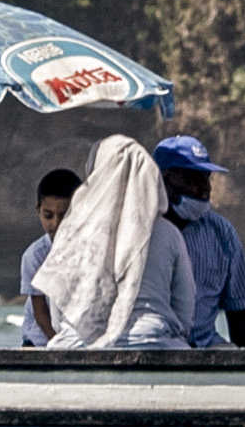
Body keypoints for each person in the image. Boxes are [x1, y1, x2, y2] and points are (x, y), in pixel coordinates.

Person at [29, 133, 196, 349]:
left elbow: (58, 306)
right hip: (152, 340)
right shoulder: (169, 232)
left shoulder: (74, 227)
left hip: (78, 345)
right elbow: (185, 309)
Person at [152, 135, 245, 348]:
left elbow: (241, 313)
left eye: (206, 178)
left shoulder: (221, 232)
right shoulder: (139, 230)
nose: (204, 188)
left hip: (204, 349)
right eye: (192, 179)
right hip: (152, 347)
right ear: (164, 180)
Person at [19, 166, 83, 345]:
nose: (56, 223)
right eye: (48, 216)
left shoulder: (90, 250)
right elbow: (40, 312)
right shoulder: (35, 256)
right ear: (38, 211)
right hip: (39, 341)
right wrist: (58, 343)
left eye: (64, 216)